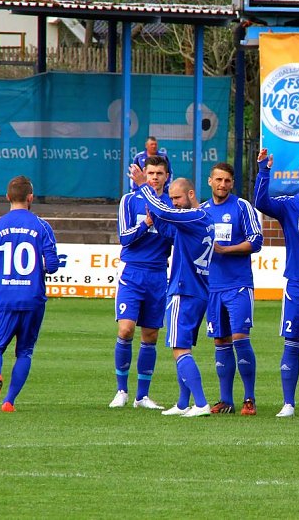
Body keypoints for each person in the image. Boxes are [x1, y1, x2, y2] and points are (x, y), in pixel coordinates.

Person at [130, 165, 214, 417]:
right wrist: (155, 216)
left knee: (179, 349)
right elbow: (170, 232)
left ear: (191, 194)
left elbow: (164, 211)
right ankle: (182, 402)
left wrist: (144, 186)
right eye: (172, 198)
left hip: (183, 289)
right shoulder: (203, 219)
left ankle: (201, 403)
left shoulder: (194, 216)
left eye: (177, 198)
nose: (174, 203)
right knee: (183, 345)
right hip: (198, 290)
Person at [254, 148, 299, 417]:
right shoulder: (289, 206)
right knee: (292, 343)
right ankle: (288, 404)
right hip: (298, 285)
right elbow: (261, 202)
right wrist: (263, 171)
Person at [0, 175, 60, 412]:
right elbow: (53, 265)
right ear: (30, 198)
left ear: (7, 197)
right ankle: (9, 401)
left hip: (3, 299)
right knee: (25, 352)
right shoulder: (42, 226)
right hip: (32, 299)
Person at [109, 156, 174, 410]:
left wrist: (158, 218)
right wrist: (146, 223)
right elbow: (125, 238)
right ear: (144, 175)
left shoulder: (171, 204)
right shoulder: (129, 200)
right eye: (151, 173)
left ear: (166, 176)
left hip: (158, 274)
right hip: (132, 273)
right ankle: (121, 391)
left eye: (159, 173)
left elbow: (173, 236)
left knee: (151, 335)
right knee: (126, 330)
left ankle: (142, 396)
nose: (155, 177)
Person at [202, 162, 263, 415]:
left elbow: (256, 241)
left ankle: (249, 399)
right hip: (212, 287)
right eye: (218, 179)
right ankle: (226, 400)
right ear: (210, 181)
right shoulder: (202, 211)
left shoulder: (242, 207)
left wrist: (226, 250)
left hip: (238, 285)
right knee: (220, 340)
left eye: (227, 180)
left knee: (240, 338)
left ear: (232, 183)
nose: (222, 184)